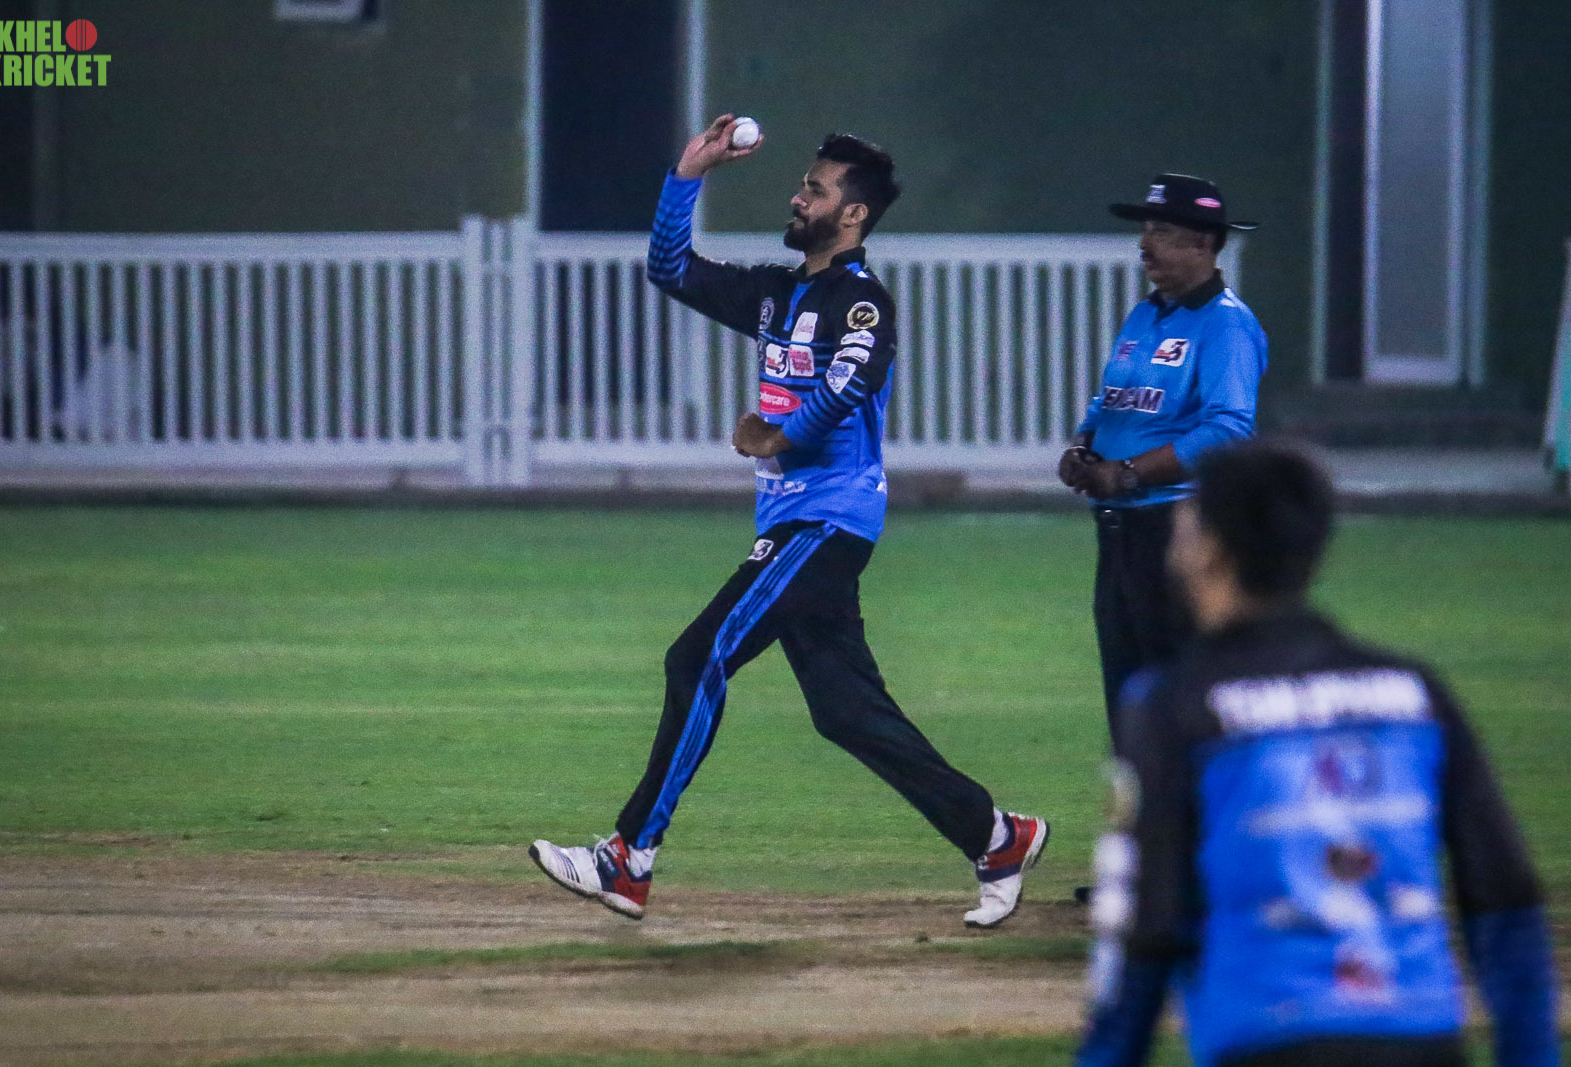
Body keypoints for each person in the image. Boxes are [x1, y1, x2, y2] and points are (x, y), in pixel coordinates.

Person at [530, 115, 1048, 927]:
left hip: (826, 526)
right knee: (846, 711)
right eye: (804, 184)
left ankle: (629, 857)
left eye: (816, 188)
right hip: (796, 526)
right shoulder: (781, 295)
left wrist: (777, 436)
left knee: (697, 655)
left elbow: (850, 382)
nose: (798, 196)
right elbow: (669, 268)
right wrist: (688, 174)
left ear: (854, 214)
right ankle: (997, 836)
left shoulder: (863, 302)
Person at [1075, 440, 1559, 1067]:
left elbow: (1144, 927)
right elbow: (1508, 901)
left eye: (1186, 525)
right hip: (1423, 1038)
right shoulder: (1414, 691)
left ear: (1210, 549)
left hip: (1266, 1040)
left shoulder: (1173, 706)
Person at [1058, 173, 1267, 746]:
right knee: (1129, 699)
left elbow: (1228, 429)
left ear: (1203, 243)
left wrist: (1128, 473)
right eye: (1146, 229)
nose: (1145, 244)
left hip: (1175, 531)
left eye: (1163, 232)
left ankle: (1188, 802)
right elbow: (1112, 398)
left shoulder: (1226, 324)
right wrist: (1084, 445)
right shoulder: (1145, 315)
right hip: (1120, 534)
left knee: (1178, 699)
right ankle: (1142, 802)